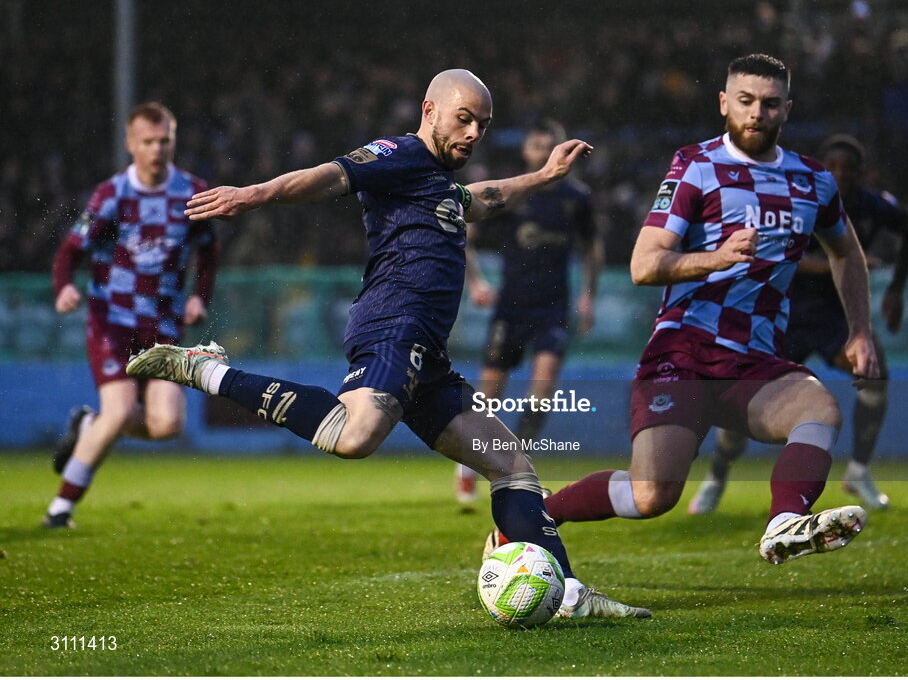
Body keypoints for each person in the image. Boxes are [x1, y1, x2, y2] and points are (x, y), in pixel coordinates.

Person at [127, 69, 649, 619]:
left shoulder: (439, 183)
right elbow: (328, 176)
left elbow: (483, 198)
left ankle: (566, 592)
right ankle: (207, 371)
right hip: (392, 326)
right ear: (429, 110)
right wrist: (253, 195)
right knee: (354, 437)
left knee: (512, 466)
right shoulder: (399, 154)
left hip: (428, 354)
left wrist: (544, 176)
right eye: (463, 119)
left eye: (483, 125)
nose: (473, 134)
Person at [485, 54, 880, 565]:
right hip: (684, 350)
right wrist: (718, 257)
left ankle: (784, 522)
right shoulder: (696, 166)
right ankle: (532, 519)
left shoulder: (813, 181)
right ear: (723, 103)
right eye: (745, 101)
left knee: (819, 408)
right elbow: (644, 265)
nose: (756, 112)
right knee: (651, 495)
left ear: (787, 110)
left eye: (769, 103)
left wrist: (861, 331)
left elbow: (847, 252)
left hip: (755, 360)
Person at [691, 134, 908, 514]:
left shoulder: (873, 206)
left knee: (874, 373)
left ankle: (859, 470)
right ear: (820, 168)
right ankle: (717, 475)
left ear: (863, 174)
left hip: (834, 317)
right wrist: (843, 263)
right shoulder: (798, 199)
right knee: (739, 407)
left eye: (849, 169)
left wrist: (897, 288)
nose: (841, 175)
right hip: (783, 314)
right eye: (833, 167)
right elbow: (785, 255)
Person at [43, 102, 218, 529]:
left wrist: (199, 296)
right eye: (148, 142)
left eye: (164, 141)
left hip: (163, 325)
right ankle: (60, 508)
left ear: (173, 141)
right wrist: (64, 286)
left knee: (166, 425)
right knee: (119, 412)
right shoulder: (112, 195)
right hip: (112, 319)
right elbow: (69, 252)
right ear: (130, 144)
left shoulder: (192, 192)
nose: (157, 150)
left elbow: (209, 251)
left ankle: (89, 424)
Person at [454, 118, 603, 505]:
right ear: (526, 151)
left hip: (553, 306)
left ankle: (515, 465)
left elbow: (592, 249)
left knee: (543, 389)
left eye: (549, 144)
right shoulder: (513, 194)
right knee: (489, 393)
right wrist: (476, 281)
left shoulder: (577, 197)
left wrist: (588, 295)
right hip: (511, 305)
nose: (543, 151)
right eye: (536, 145)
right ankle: (468, 464)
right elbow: (466, 233)